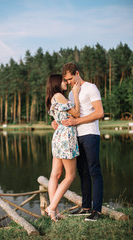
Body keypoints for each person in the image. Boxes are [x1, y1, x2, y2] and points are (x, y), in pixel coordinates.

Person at [52, 63, 104, 221]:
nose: (68, 82)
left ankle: (97, 210)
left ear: (77, 73)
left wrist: (77, 121)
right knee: (83, 173)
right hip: (75, 137)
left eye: (70, 78)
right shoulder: (70, 94)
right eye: (66, 80)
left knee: (94, 171)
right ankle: (86, 206)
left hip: (90, 134)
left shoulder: (90, 88)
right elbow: (71, 115)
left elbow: (100, 113)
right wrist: (57, 123)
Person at [45, 73, 81, 221]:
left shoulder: (52, 98)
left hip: (58, 136)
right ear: (56, 82)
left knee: (55, 175)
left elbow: (57, 118)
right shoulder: (59, 95)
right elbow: (77, 113)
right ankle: (52, 207)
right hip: (66, 137)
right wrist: (76, 94)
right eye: (63, 80)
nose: (65, 82)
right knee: (70, 175)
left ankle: (54, 212)